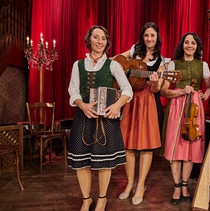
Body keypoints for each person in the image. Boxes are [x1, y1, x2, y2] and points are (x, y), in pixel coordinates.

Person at [67, 25, 133, 211]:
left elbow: (127, 89)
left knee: (104, 162)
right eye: (96, 37)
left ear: (107, 42)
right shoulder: (78, 64)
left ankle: (102, 199)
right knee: (82, 162)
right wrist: (83, 105)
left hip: (106, 120)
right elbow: (73, 91)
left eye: (103, 38)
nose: (99, 41)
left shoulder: (113, 64)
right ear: (89, 40)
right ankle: (86, 199)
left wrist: (117, 105)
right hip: (83, 116)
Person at [114, 22, 169, 205]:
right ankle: (130, 184)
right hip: (129, 100)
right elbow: (116, 61)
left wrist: (154, 82)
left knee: (146, 146)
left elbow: (157, 89)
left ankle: (141, 186)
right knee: (127, 145)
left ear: (157, 37)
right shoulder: (133, 51)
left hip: (148, 103)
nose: (149, 39)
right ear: (142, 37)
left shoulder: (163, 62)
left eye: (152, 35)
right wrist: (122, 69)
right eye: (146, 35)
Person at [161, 32, 210, 205]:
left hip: (195, 108)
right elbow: (164, 90)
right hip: (176, 106)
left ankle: (184, 186)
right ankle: (176, 186)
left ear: (197, 47)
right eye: (187, 42)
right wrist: (181, 91)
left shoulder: (203, 65)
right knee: (175, 147)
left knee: (191, 147)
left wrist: (206, 94)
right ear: (182, 45)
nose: (190, 45)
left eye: (193, 43)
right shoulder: (173, 64)